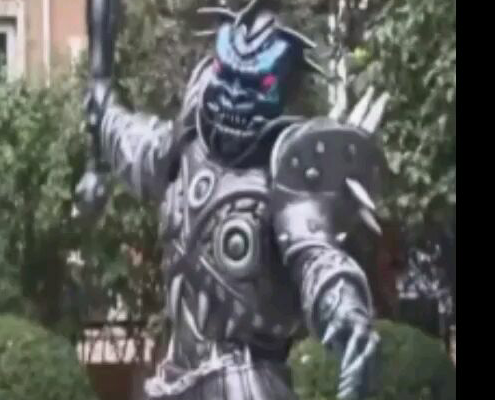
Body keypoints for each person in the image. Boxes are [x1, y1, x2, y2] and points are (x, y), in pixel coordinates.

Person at [78, 1, 390, 399]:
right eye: (226, 77)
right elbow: (119, 130)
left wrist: (344, 309)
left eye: (257, 84)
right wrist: (102, 92)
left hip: (247, 384)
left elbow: (316, 257)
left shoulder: (285, 183)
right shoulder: (180, 151)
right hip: (175, 381)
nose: (234, 96)